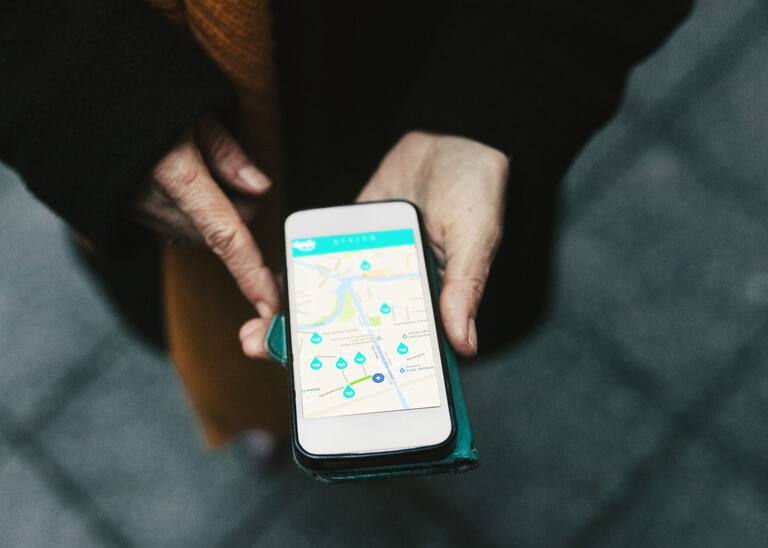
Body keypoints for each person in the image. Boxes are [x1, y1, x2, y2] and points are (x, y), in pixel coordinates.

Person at [0, 0, 691, 448]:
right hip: (159, 111)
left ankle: (306, 425)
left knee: (424, 313)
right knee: (321, 336)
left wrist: (497, 99)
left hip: (429, 74)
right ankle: (287, 421)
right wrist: (72, 96)